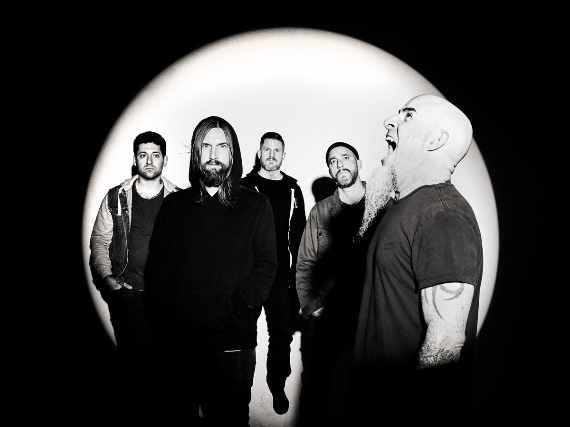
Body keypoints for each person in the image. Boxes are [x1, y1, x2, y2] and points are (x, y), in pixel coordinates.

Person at [349, 94, 482, 426]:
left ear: (435, 140)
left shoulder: (443, 216)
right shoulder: (403, 208)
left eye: (407, 116)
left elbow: (446, 342)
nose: (389, 121)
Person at [147, 116, 277, 426]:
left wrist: (237, 307)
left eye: (222, 146)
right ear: (196, 153)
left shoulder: (257, 205)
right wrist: (178, 309)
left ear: (233, 153)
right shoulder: (173, 206)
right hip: (181, 345)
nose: (213, 154)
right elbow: (158, 266)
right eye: (206, 146)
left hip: (234, 344)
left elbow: (267, 266)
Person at [89, 131, 180, 417]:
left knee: (165, 370)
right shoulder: (116, 197)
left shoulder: (179, 199)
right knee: (132, 369)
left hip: (164, 299)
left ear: (165, 159)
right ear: (134, 159)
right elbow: (99, 241)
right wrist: (108, 279)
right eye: (143, 155)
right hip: (127, 295)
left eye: (155, 155)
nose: (149, 161)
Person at [295, 142, 385, 425]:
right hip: (330, 310)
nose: (340, 164)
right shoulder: (320, 211)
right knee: (318, 383)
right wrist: (311, 305)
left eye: (345, 157)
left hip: (370, 309)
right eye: (333, 161)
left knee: (371, 384)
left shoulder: (383, 202)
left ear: (358, 162)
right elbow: (305, 262)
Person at [240, 131, 306, 415]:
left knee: (281, 334)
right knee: (242, 333)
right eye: (267, 150)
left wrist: (299, 279)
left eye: (276, 150)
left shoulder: (293, 189)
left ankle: (277, 384)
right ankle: (239, 390)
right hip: (250, 276)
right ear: (259, 153)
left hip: (281, 277)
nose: (271, 155)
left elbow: (300, 235)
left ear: (283, 155)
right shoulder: (243, 187)